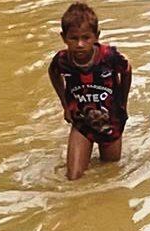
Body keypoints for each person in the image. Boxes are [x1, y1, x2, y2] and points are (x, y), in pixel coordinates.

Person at [47, 2, 132, 180]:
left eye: (86, 38)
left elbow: (127, 70)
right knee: (73, 176)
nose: (79, 44)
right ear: (63, 37)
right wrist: (65, 105)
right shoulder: (62, 61)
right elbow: (53, 73)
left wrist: (122, 103)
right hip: (81, 122)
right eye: (73, 38)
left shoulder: (109, 57)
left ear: (96, 36)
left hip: (111, 120)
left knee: (110, 171)